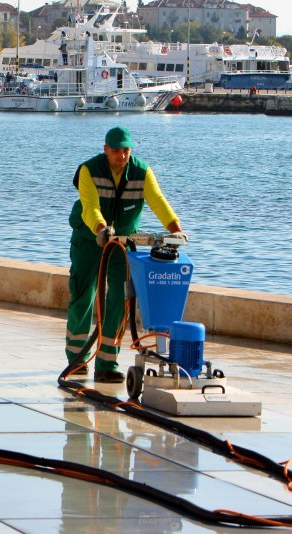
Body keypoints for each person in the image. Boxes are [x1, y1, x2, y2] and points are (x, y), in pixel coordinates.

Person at [65, 126, 184, 383]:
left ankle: (107, 362)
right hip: (89, 238)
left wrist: (175, 228)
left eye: (126, 151)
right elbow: (89, 207)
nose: (122, 156)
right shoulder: (89, 170)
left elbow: (157, 200)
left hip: (123, 241)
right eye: (116, 151)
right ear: (105, 149)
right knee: (84, 294)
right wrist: (100, 228)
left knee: (120, 297)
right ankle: (76, 357)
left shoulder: (142, 171)